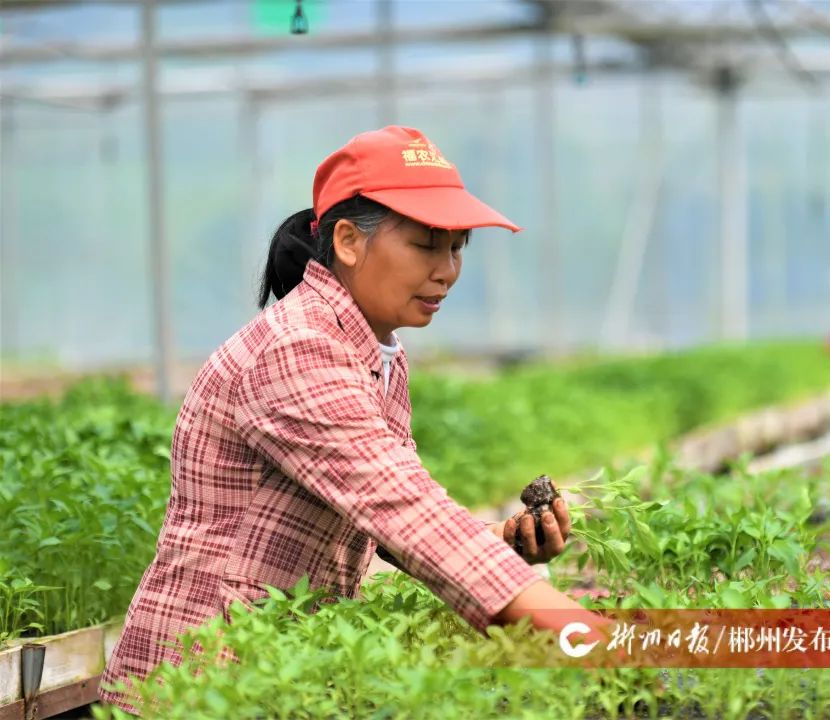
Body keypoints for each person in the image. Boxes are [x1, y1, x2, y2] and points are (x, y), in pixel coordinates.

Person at [101, 126, 599, 712]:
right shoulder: (297, 348)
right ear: (347, 240)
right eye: (425, 245)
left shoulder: (372, 347)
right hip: (204, 680)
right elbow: (404, 509)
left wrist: (500, 546)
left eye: (457, 247)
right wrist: (604, 644)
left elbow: (383, 521)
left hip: (281, 672)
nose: (447, 270)